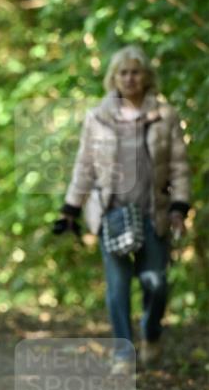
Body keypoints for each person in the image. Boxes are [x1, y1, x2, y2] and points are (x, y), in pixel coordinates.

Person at [56, 45, 190, 370]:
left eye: (136, 72)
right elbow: (84, 165)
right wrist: (70, 209)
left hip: (152, 212)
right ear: (113, 78)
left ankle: (151, 334)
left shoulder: (164, 115)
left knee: (155, 284)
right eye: (123, 73)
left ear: (146, 77)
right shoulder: (97, 117)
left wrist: (179, 207)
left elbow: (179, 166)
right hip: (111, 214)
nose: (130, 78)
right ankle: (123, 354)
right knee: (117, 288)